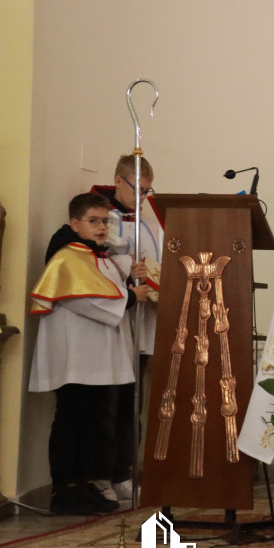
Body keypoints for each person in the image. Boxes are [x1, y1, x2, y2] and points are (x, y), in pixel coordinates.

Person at [28, 193, 152, 514]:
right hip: (73, 357)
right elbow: (89, 300)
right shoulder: (67, 256)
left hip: (92, 358)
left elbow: (103, 281)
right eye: (94, 221)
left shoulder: (91, 254)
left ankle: (83, 485)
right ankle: (64, 490)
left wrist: (125, 270)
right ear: (75, 223)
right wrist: (131, 297)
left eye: (105, 221)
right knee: (70, 420)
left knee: (92, 421)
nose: (101, 227)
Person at [90, 154, 163, 502]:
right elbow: (99, 262)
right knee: (111, 403)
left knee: (134, 402)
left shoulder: (149, 223)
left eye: (148, 191)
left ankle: (126, 471)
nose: (143, 198)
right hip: (116, 322)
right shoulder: (104, 220)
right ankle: (105, 474)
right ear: (119, 181)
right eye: (138, 189)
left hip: (145, 322)